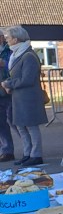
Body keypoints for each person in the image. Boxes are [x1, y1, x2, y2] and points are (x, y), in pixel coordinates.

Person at [1, 26, 46, 166]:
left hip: (28, 98)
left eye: (8, 38)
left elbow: (27, 79)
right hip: (19, 97)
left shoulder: (28, 56)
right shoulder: (17, 54)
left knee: (31, 127)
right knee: (21, 126)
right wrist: (9, 83)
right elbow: (17, 75)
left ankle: (36, 155)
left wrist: (8, 84)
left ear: (16, 39)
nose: (6, 40)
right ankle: (27, 154)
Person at [0, 32, 14, 162]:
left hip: (7, 90)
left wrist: (4, 65)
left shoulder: (9, 50)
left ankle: (30, 150)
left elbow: (13, 69)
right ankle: (6, 151)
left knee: (13, 120)